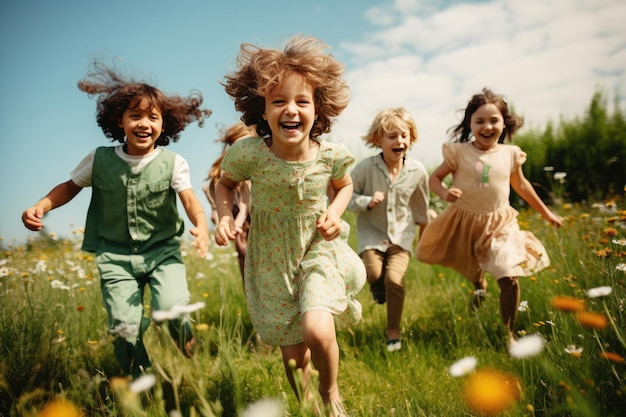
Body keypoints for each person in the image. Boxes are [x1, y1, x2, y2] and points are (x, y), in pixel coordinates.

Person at [21, 61, 211, 379]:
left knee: (171, 309)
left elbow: (190, 200)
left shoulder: (173, 162)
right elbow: (69, 187)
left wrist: (202, 227)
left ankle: (184, 337)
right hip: (115, 258)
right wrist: (42, 205)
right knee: (123, 325)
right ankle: (143, 382)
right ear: (119, 121)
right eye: (135, 115)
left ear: (164, 125)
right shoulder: (99, 159)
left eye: (153, 117)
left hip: (163, 252)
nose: (144, 123)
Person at [215, 35, 366, 417]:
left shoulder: (330, 155)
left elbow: (344, 186)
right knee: (293, 354)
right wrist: (224, 216)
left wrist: (336, 212)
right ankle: (308, 407)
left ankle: (329, 390)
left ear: (319, 108)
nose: (291, 110)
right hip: (271, 257)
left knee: (317, 330)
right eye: (278, 101)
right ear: (261, 110)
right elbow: (225, 184)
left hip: (317, 247)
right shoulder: (249, 154)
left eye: (302, 101)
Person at [415, 88, 563, 345]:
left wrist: (548, 213)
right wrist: (445, 193)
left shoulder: (510, 154)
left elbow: (522, 186)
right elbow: (435, 179)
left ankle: (508, 333)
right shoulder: (459, 152)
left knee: (508, 274)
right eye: (479, 121)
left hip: (500, 223)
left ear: (504, 123)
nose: (487, 126)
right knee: (472, 268)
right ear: (470, 123)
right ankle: (479, 287)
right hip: (465, 221)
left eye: (494, 120)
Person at [348, 108, 431, 353]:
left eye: (404, 135)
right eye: (392, 136)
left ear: (411, 138)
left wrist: (423, 238)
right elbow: (346, 195)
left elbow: (421, 208)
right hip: (372, 233)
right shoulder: (365, 168)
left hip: (402, 236)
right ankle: (377, 289)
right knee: (374, 275)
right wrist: (366, 201)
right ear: (378, 140)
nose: (399, 141)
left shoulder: (417, 172)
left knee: (394, 280)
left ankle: (392, 329)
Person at [203, 122, 256, 281]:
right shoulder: (223, 181)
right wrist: (215, 210)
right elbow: (219, 218)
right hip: (243, 246)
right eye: (239, 146)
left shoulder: (261, 173)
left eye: (250, 145)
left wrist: (243, 212)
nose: (245, 151)